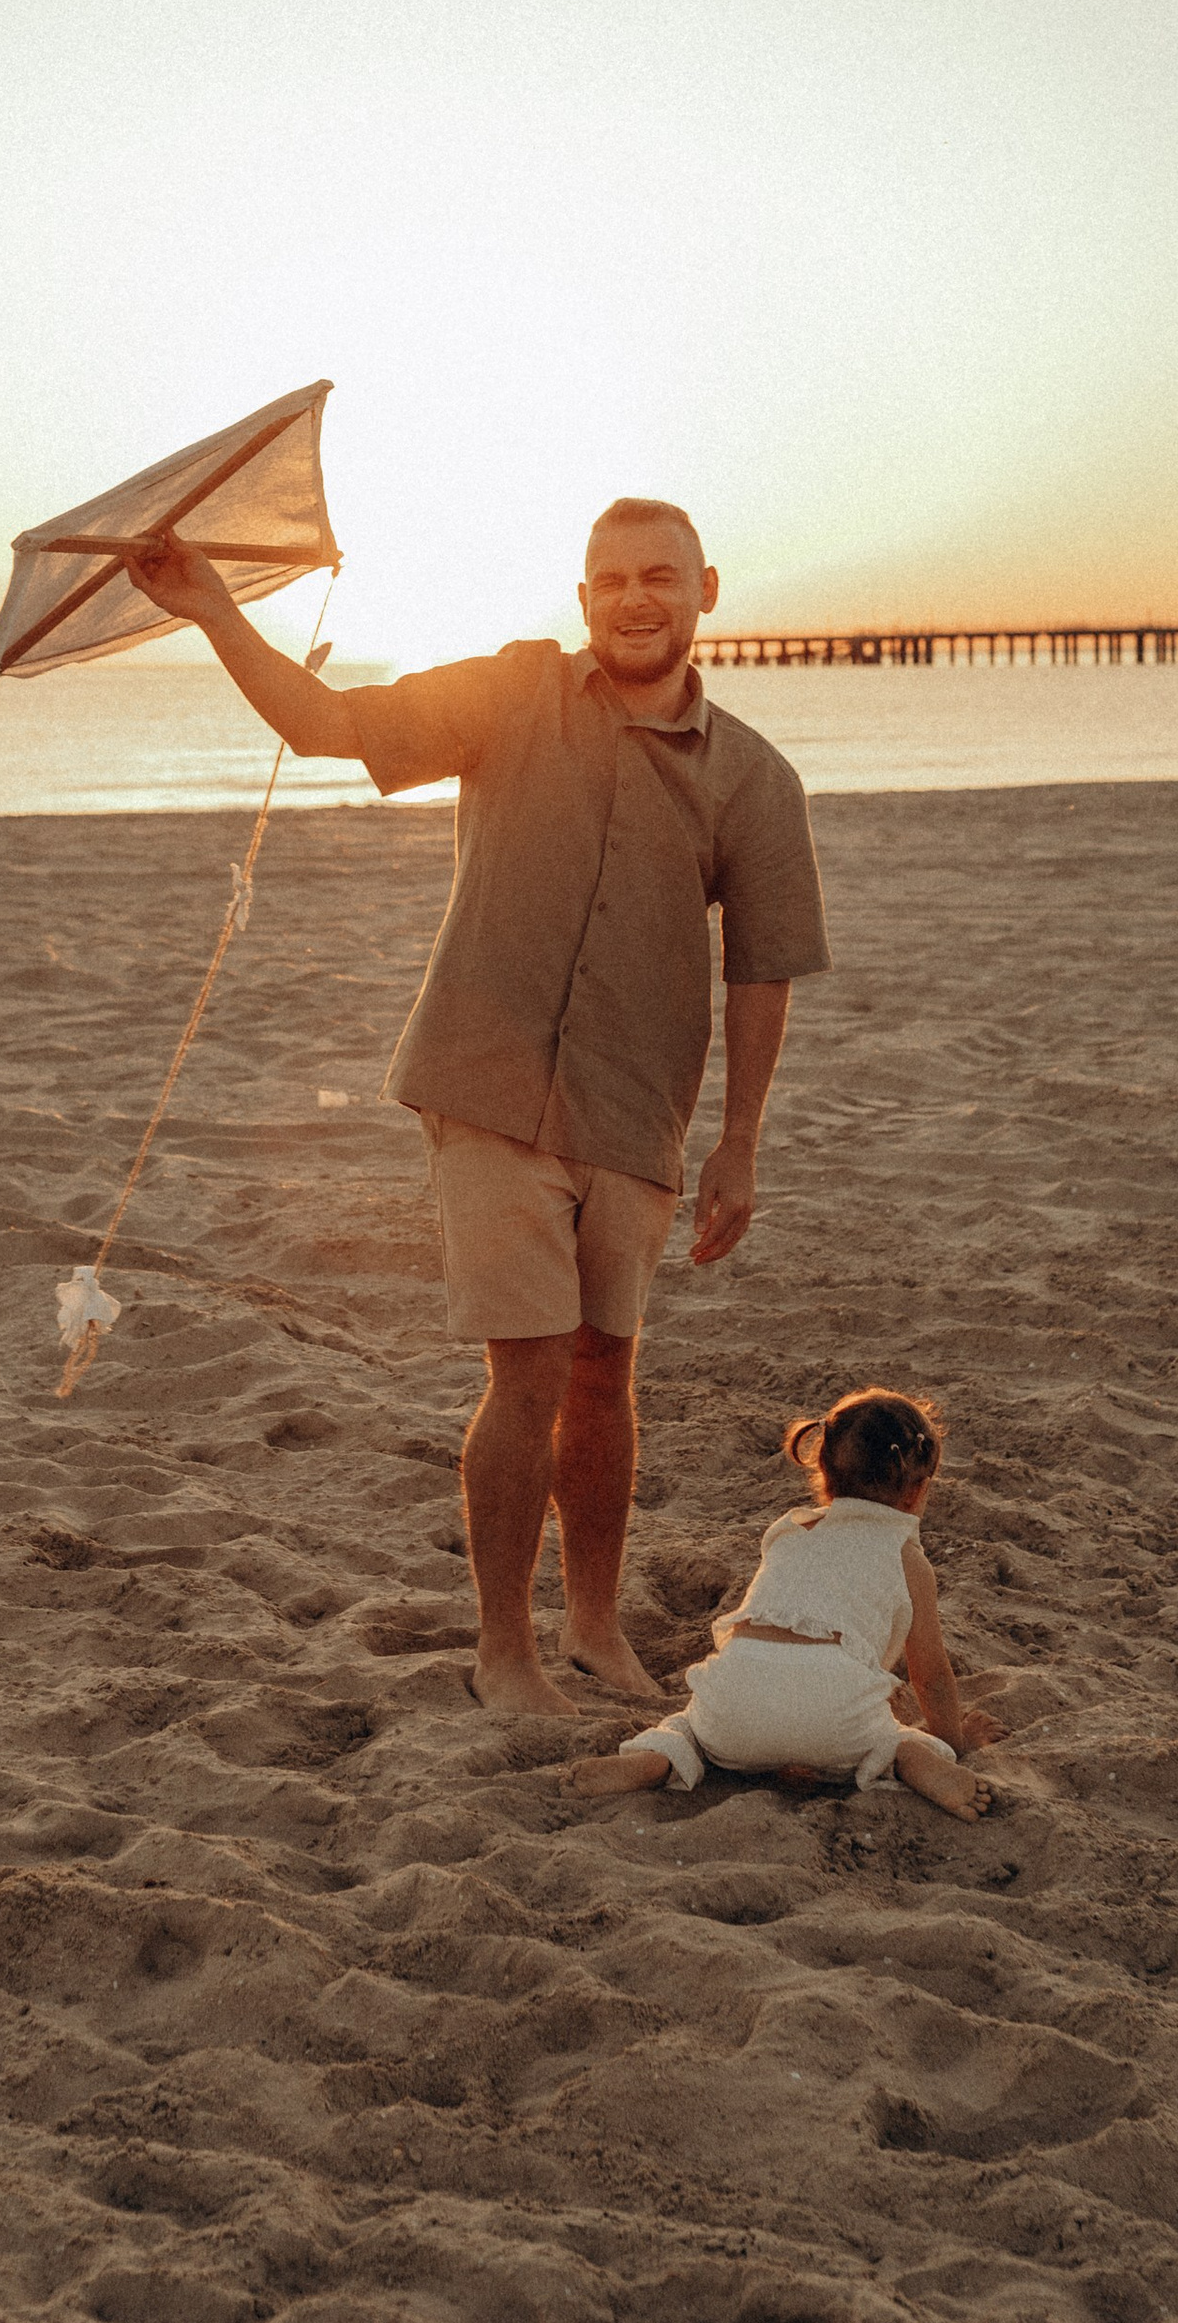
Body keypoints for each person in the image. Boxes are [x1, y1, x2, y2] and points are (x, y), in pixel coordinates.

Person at [124, 499, 830, 1718]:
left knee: (608, 1373)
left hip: (636, 1105)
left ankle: (596, 1627)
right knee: (530, 1371)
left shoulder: (755, 778)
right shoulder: (510, 696)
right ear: (582, 598)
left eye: (658, 577)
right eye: (609, 580)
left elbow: (760, 967)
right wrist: (210, 609)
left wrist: (740, 1144)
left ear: (705, 591)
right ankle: (504, 1646)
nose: (634, 599)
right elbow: (329, 722)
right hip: (486, 1087)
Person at [568, 1387, 1002, 1816]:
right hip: (834, 1724)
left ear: (823, 1475)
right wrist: (953, 1742)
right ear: (918, 1490)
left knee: (689, 1729)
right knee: (890, 1740)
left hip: (733, 1712)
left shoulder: (787, 1534)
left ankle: (658, 1758)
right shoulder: (906, 1558)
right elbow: (931, 1676)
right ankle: (912, 1759)